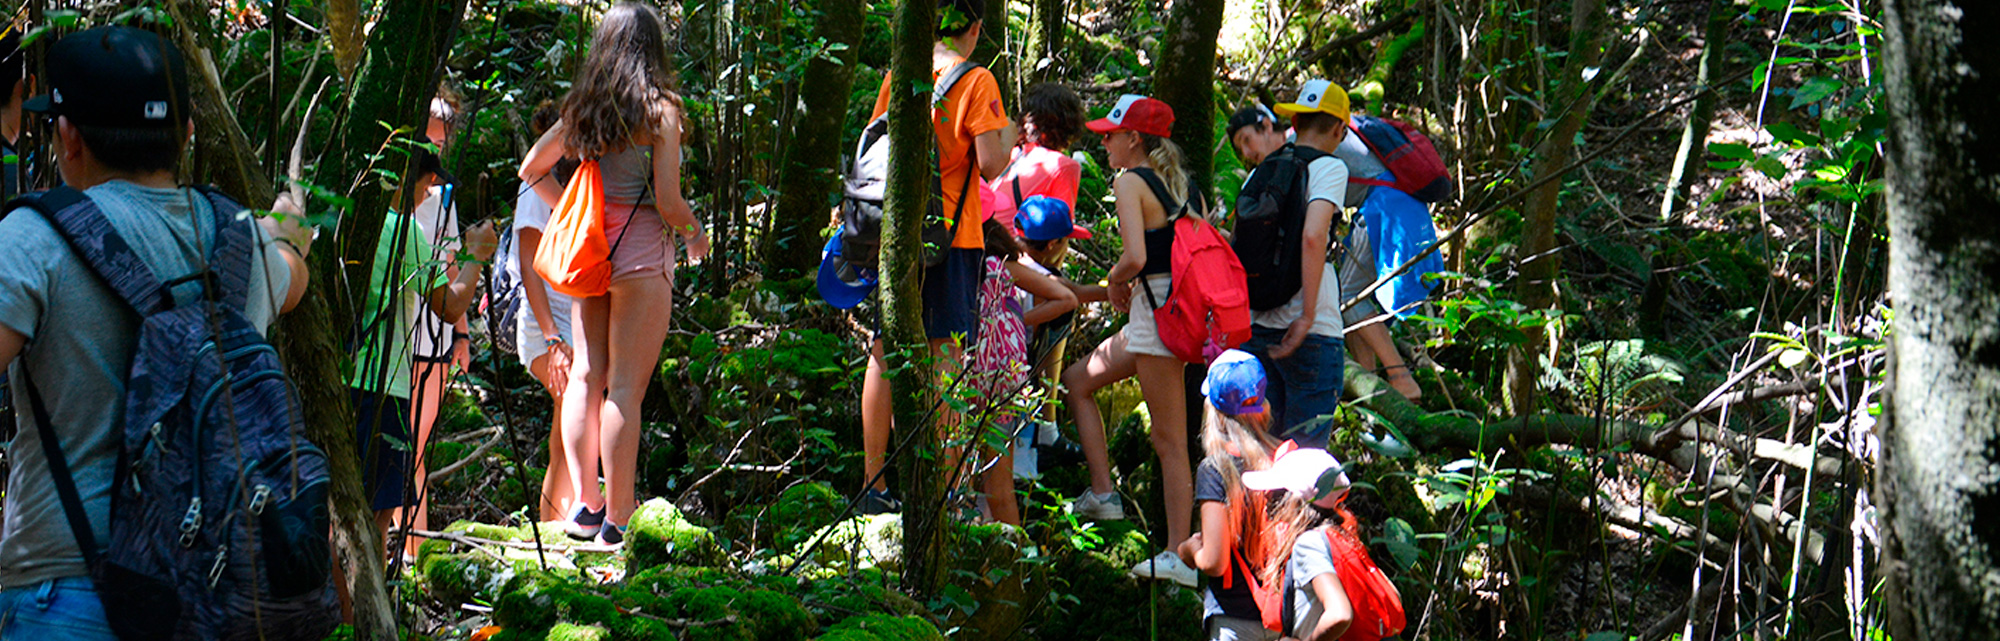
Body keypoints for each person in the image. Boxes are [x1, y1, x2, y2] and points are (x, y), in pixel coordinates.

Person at [0, 26, 313, 636]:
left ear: (68, 137)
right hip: (211, 595)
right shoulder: (238, 239)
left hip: (69, 589)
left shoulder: (31, 241)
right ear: (188, 133)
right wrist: (285, 228)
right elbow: (292, 275)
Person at [520, 1, 710, 544]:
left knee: (586, 375)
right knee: (625, 388)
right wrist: (696, 235)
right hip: (643, 253)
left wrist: (568, 211)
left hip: (592, 249)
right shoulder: (660, 111)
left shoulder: (585, 109)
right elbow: (669, 201)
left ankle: (586, 506)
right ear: (653, 50)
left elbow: (530, 168)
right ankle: (619, 520)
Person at [855, 0, 1014, 514]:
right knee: (945, 356)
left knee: (884, 350)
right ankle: (941, 493)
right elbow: (991, 165)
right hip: (952, 234)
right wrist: (1004, 137)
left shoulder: (901, 72)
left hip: (897, 231)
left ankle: (873, 484)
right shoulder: (978, 82)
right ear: (976, 29)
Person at [1063, 93, 1199, 586]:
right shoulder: (1179, 183)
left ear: (1134, 138)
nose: (1104, 144)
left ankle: (1178, 555)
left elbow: (1136, 256)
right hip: (1167, 309)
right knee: (1079, 380)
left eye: (1110, 135)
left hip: (1157, 313)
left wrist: (1116, 280)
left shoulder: (1130, 182)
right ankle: (1103, 493)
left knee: (1169, 441)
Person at [352, 138, 497, 553]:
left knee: (345, 508)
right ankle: (361, 617)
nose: (427, 193)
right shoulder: (404, 231)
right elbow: (449, 307)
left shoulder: (353, 220)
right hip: (384, 387)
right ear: (404, 180)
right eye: (425, 185)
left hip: (344, 375)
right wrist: (477, 256)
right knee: (375, 518)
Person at [1230, 91, 1421, 402]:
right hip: (1383, 207)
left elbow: (1312, 234)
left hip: (1383, 208)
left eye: (1247, 140)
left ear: (1268, 125)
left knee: (1347, 294)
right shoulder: (1302, 151)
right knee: (1350, 297)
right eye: (1240, 149)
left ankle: (1400, 377)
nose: (1248, 152)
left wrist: (1307, 314)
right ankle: (1370, 386)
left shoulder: (1302, 149)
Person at [396, 83, 471, 558]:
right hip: (391, 341)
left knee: (415, 447)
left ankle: (414, 547)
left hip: (433, 336)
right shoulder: (386, 199)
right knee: (395, 446)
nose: (435, 153)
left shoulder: (442, 198)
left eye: (442, 144)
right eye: (430, 141)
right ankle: (397, 542)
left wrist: (461, 335)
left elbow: (450, 263)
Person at [968, 215, 1077, 525]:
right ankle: (1013, 563)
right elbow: (1066, 298)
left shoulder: (963, 266)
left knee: (961, 478)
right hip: (1005, 377)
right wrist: (1014, 320)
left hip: (965, 378)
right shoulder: (1004, 266)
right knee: (999, 485)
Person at [1175, 349, 1284, 639]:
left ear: (1213, 409)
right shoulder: (1284, 460)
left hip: (1234, 619)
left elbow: (1214, 561)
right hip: (1283, 616)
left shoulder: (1217, 469)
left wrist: (1188, 550)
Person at [507, 101, 579, 521]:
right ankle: (555, 527)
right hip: (546, 325)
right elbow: (531, 270)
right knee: (570, 417)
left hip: (575, 321)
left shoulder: (578, 181)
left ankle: (564, 520)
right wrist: (553, 341)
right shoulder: (537, 186)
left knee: (571, 421)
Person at [1010, 196, 1106, 483]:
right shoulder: (1047, 282)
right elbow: (1075, 294)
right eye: (1066, 242)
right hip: (1023, 377)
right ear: (1053, 245)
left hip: (993, 367)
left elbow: (1077, 290)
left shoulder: (1008, 264)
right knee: (1019, 463)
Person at [1244, 446, 1358, 641]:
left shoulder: (1308, 544)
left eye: (1274, 493)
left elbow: (1340, 614)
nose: (1267, 498)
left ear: (1294, 500)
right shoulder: (1340, 536)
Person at [984, 82, 1086, 229]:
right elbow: (1060, 227)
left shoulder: (1010, 155)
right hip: (1015, 247)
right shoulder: (1063, 165)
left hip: (985, 243)